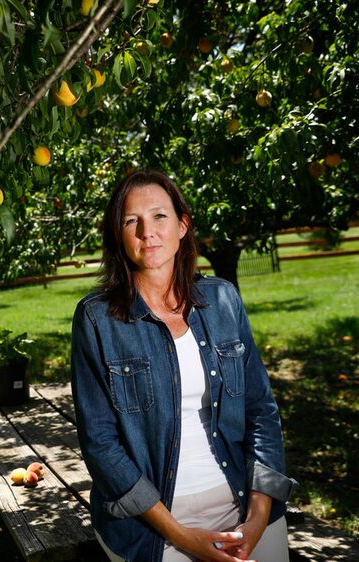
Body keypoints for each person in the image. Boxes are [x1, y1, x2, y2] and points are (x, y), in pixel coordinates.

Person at [70, 170, 297, 562]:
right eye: (131, 221)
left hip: (245, 501)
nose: (147, 232)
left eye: (159, 216)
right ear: (118, 235)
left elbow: (261, 411)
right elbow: (101, 445)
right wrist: (182, 536)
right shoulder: (97, 320)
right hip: (154, 523)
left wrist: (258, 517)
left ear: (182, 225)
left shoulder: (224, 300)